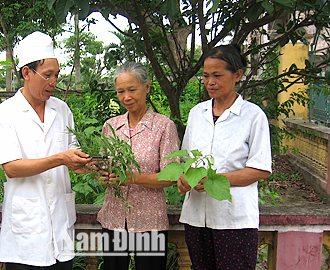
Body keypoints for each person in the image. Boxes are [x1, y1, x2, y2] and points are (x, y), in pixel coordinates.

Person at [0, 31, 92, 269]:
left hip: (60, 228)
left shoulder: (62, 109)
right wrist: (60, 158)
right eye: (47, 75)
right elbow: (11, 168)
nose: (54, 82)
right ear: (26, 72)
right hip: (25, 235)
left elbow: (71, 155)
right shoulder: (5, 113)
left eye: (56, 75)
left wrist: (86, 163)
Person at [177, 44, 272, 270]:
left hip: (234, 220)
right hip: (196, 217)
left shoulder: (253, 115)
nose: (210, 82)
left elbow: (260, 169)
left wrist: (214, 181)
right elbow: (186, 160)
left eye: (217, 75)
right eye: (206, 76)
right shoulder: (197, 113)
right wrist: (184, 179)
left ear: (237, 75)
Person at [96, 61, 180, 270]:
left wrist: (130, 177)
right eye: (121, 91)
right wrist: (103, 177)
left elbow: (170, 177)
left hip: (150, 221)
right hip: (114, 218)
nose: (126, 97)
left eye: (132, 90)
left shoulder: (163, 126)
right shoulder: (111, 126)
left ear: (147, 87)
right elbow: (101, 169)